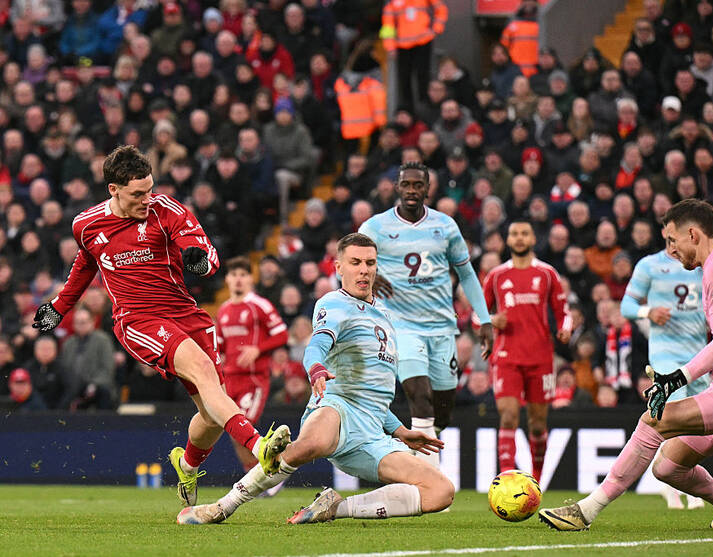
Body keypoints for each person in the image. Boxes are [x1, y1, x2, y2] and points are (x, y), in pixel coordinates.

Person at [31, 146, 289, 509]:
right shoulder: (86, 225)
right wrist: (59, 307)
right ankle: (260, 447)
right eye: (138, 194)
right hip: (138, 319)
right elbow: (86, 265)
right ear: (113, 190)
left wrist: (200, 261)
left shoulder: (167, 210)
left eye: (150, 189)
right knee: (203, 374)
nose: (147, 199)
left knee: (212, 414)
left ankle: (186, 465)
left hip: (186, 314)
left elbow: (204, 251)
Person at [540, 199, 713, 531]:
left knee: (654, 419)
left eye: (673, 241)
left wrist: (676, 378)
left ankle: (586, 510)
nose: (671, 251)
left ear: (692, 234)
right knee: (667, 468)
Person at [176, 233, 450, 525]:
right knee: (309, 445)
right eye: (355, 262)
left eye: (370, 263)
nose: (364, 269)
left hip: (372, 432)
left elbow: (373, 394)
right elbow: (316, 345)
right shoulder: (334, 304)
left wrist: (400, 431)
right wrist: (316, 367)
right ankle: (222, 506)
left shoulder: (383, 315)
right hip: (337, 408)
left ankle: (335, 507)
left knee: (441, 492)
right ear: (338, 267)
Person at [359, 162, 493, 472]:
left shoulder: (445, 226)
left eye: (417, 185)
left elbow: (467, 274)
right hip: (400, 328)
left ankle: (414, 454)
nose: (411, 191)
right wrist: (368, 271)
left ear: (427, 189)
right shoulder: (375, 227)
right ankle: (431, 486)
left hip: (442, 328)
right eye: (406, 184)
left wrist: (484, 318)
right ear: (397, 187)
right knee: (419, 395)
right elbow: (348, 258)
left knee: (442, 412)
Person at [620, 228, 710, 510]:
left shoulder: (701, 265)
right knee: (671, 413)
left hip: (699, 354)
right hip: (665, 353)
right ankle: (671, 487)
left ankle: (687, 480)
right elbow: (627, 305)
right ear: (664, 231)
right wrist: (649, 312)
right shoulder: (649, 265)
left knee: (700, 418)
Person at [482, 219, 571, 483]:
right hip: (507, 357)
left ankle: (536, 479)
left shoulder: (546, 273)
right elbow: (477, 315)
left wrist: (565, 329)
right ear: (508, 241)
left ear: (532, 239)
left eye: (524, 234)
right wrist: (490, 320)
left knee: (537, 424)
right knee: (508, 416)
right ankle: (507, 479)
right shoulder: (496, 276)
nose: (519, 238)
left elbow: (564, 312)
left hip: (540, 358)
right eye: (514, 234)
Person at [216, 256, 289, 471]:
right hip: (230, 381)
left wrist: (258, 349)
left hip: (253, 378)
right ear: (227, 280)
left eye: (243, 275)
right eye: (234, 275)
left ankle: (272, 472)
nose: (238, 279)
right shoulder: (224, 310)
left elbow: (282, 334)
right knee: (234, 432)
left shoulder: (260, 305)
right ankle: (260, 477)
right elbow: (219, 346)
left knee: (243, 428)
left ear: (250, 279)